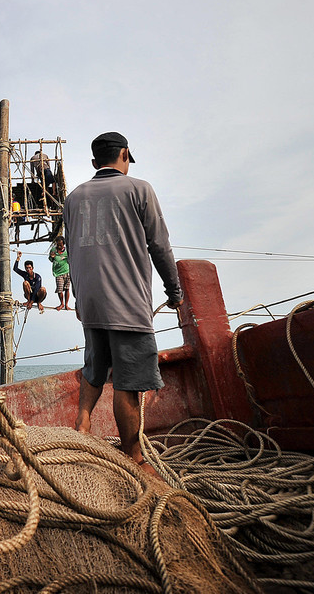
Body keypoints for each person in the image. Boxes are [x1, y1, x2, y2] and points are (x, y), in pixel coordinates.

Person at [63, 132, 182, 471]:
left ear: (93, 163)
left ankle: (83, 425)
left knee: (94, 369)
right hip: (127, 303)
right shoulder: (139, 189)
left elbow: (70, 252)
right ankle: (135, 457)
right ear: (125, 155)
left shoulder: (73, 198)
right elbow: (160, 246)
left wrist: (79, 299)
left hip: (91, 302)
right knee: (128, 384)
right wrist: (174, 292)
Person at [49, 236, 71, 310]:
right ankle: (62, 304)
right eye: (57, 245)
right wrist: (52, 257)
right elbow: (51, 259)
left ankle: (66, 305)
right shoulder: (53, 250)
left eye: (60, 245)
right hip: (58, 273)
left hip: (67, 271)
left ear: (63, 244)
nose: (59, 246)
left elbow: (70, 259)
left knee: (67, 288)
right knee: (60, 289)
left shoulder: (67, 250)